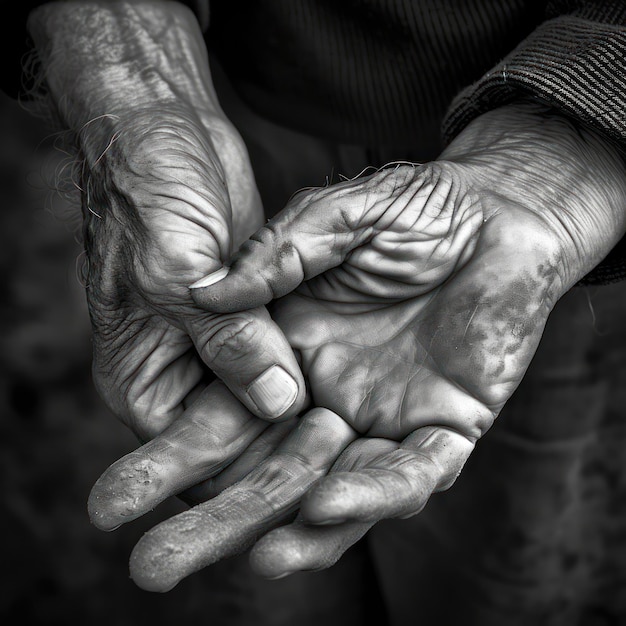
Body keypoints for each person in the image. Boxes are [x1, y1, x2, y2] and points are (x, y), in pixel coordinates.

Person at [11, 0, 626, 623]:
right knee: (272, 571)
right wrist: (130, 72)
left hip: (562, 139)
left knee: (503, 548)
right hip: (241, 107)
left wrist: (561, 156)